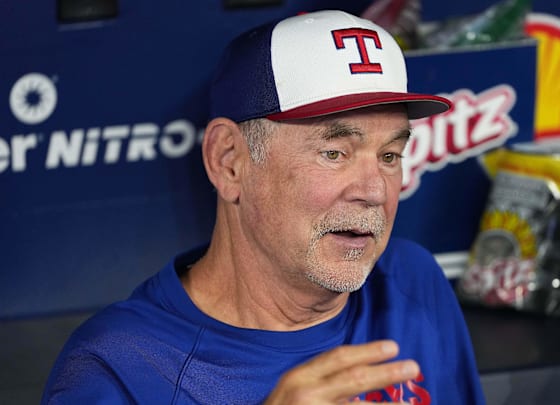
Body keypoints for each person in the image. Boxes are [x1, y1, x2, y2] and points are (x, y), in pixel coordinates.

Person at [42, 9, 486, 404]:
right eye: (335, 153)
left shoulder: (412, 280)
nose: (374, 190)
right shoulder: (120, 369)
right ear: (229, 162)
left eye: (389, 156)